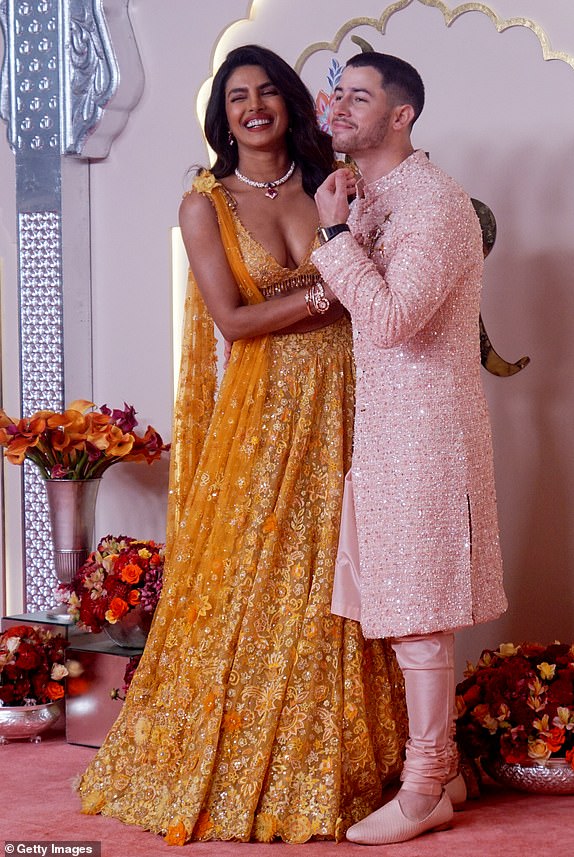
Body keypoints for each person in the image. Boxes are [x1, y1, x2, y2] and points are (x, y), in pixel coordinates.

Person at [77, 45, 408, 845]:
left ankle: (361, 763)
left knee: (347, 566)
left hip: (353, 398)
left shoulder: (336, 181)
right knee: (266, 573)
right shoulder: (208, 204)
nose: (254, 106)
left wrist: (345, 286)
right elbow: (233, 320)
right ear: (222, 118)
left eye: (267, 92)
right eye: (237, 98)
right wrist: (329, 292)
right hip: (266, 413)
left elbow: (390, 284)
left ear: (292, 103)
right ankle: (248, 759)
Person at [312, 51, 507, 845]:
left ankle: (423, 784)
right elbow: (336, 301)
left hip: (428, 434)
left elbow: (390, 319)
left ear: (403, 116)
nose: (340, 109)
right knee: (401, 606)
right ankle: (448, 771)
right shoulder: (377, 197)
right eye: (339, 95)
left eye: (360, 98)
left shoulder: (434, 203)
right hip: (389, 432)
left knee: (420, 610)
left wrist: (332, 232)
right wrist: (343, 223)